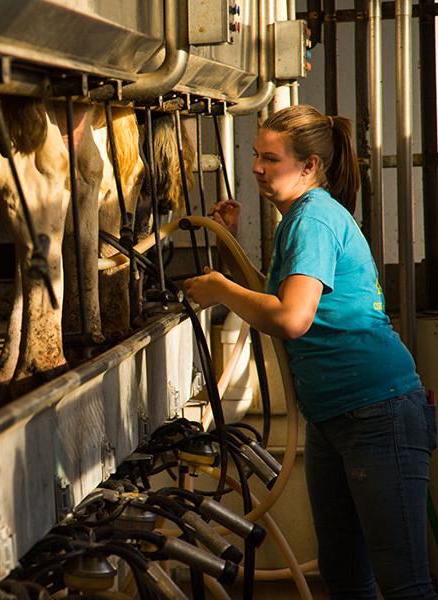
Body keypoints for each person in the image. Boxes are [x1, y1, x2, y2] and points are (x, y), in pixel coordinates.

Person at [183, 104, 437, 599]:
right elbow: (279, 302)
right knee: (342, 575)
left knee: (403, 583)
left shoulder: (314, 219)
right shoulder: (299, 218)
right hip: (335, 415)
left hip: (374, 409)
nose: (256, 167)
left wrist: (219, 287)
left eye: (270, 159)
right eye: (256, 155)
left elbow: (291, 319)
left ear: (309, 166)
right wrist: (229, 254)